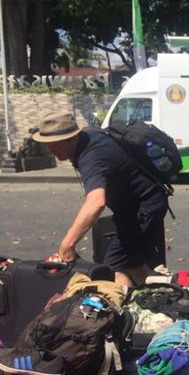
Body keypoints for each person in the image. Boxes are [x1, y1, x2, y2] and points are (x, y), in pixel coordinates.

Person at [32, 111, 168, 286]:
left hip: (143, 209)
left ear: (72, 138)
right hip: (134, 208)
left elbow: (96, 202)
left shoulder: (91, 156)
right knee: (132, 263)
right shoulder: (89, 137)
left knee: (113, 267)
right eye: (47, 144)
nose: (50, 148)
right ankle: (161, 295)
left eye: (55, 143)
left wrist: (68, 244)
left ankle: (125, 308)